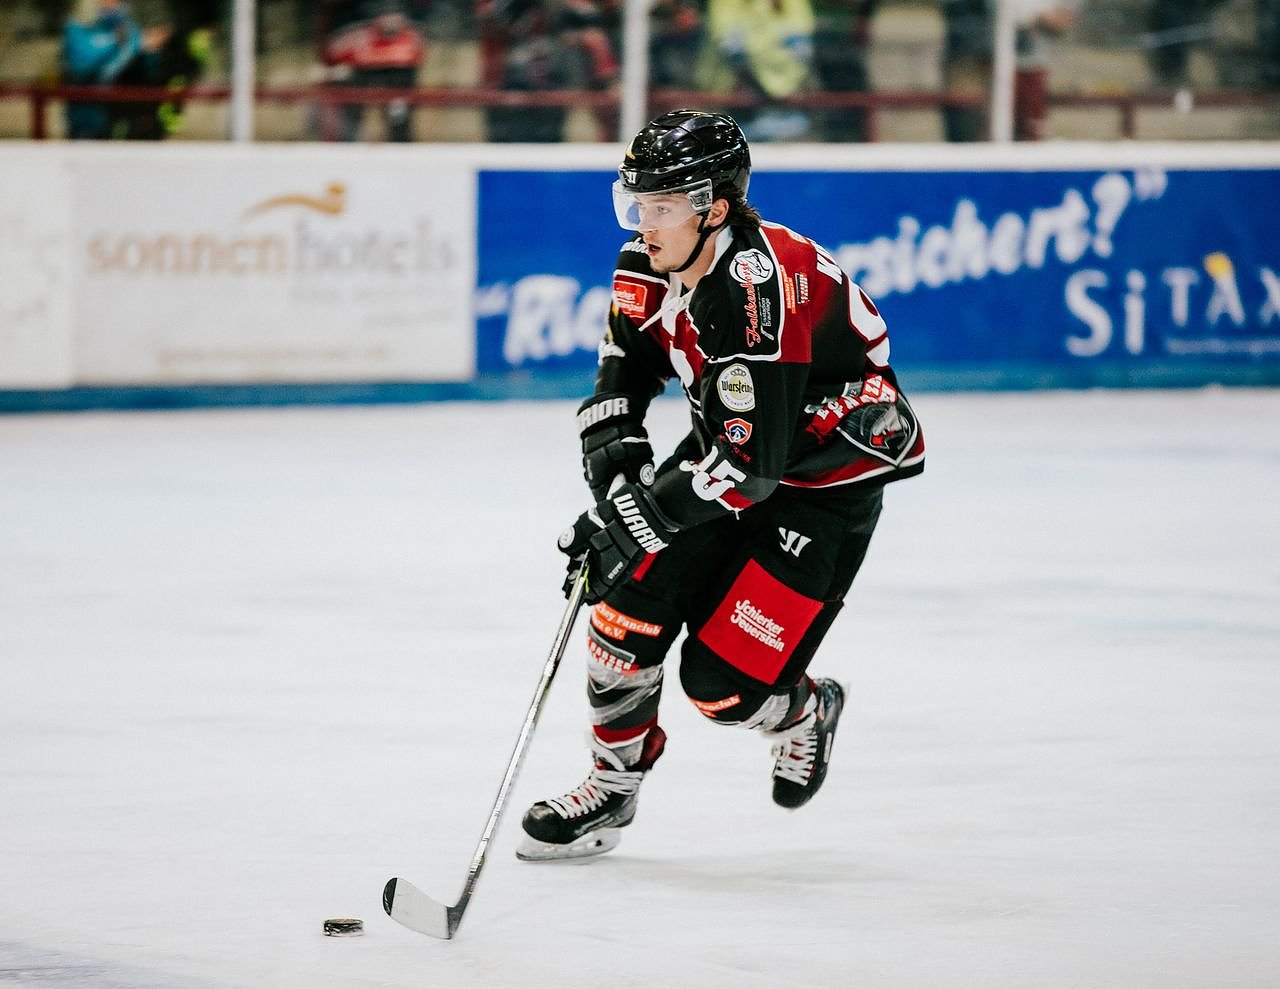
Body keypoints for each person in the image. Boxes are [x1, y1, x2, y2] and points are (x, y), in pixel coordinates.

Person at [517, 110, 925, 862]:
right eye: (638, 203)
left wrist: (628, 523)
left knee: (723, 688)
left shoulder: (753, 293)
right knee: (623, 615)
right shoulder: (649, 260)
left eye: (663, 206)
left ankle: (804, 712)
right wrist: (615, 462)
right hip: (737, 449)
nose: (644, 224)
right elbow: (626, 369)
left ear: (715, 208)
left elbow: (749, 471)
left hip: (819, 484)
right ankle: (612, 786)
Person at [319, 0, 426, 142]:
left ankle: (400, 142)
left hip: (395, 84)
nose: (391, 21)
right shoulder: (360, 36)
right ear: (377, 18)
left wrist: (376, 57)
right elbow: (331, 52)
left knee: (399, 99)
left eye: (395, 16)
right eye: (386, 15)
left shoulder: (411, 37)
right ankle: (348, 141)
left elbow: (410, 58)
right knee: (351, 91)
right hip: (362, 80)